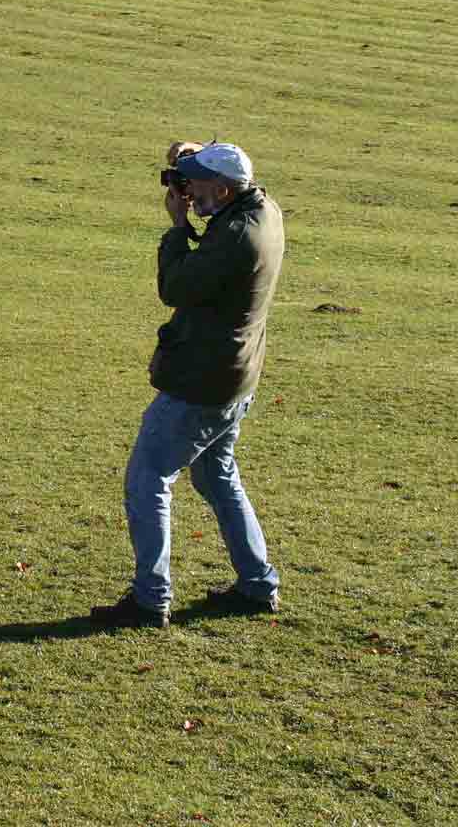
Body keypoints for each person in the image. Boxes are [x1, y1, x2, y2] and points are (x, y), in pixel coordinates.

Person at [90, 141, 285, 629]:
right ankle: (258, 584)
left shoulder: (236, 236)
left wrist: (178, 226)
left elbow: (175, 287)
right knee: (217, 476)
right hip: (236, 375)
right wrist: (200, 154)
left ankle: (150, 599)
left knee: (148, 479)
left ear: (221, 188)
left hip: (203, 380)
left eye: (194, 183)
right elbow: (224, 181)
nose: (186, 190)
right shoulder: (263, 208)